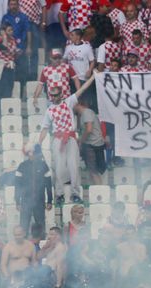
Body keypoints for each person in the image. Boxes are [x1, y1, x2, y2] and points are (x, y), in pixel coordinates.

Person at [38, 73, 96, 204]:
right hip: (58, 138)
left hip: (70, 137)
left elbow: (82, 89)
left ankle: (76, 194)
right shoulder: (49, 111)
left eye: (56, 95)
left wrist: (92, 77)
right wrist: (39, 143)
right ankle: (59, 194)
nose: (54, 97)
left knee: (74, 167)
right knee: (58, 167)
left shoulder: (68, 102)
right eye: (52, 95)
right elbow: (45, 128)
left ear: (61, 94)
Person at [14, 143, 53, 235]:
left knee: (41, 226)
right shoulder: (22, 166)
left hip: (39, 201)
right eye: (34, 152)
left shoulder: (44, 166)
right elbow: (17, 186)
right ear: (29, 153)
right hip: (25, 201)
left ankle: (41, 245)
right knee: (24, 226)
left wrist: (50, 200)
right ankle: (23, 247)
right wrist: (17, 201)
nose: (36, 154)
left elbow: (49, 184)